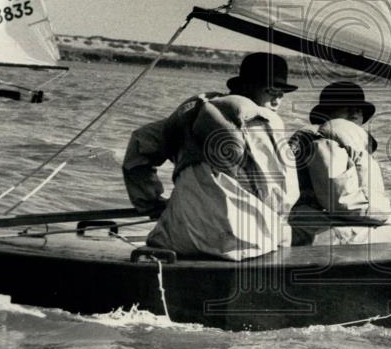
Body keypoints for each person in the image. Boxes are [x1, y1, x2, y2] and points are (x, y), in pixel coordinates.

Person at [126, 52, 301, 261]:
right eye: (271, 90)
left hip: (174, 239)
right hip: (242, 244)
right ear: (247, 87)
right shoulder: (260, 118)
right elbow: (279, 192)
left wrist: (151, 204)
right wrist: (282, 235)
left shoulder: (191, 113)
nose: (278, 99)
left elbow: (138, 146)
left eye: (282, 92)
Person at [288, 81, 391, 245]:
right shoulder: (322, 142)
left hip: (327, 219)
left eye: (359, 109)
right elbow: (341, 202)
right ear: (328, 113)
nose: (355, 112)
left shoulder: (343, 140)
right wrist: (383, 212)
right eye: (346, 106)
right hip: (311, 225)